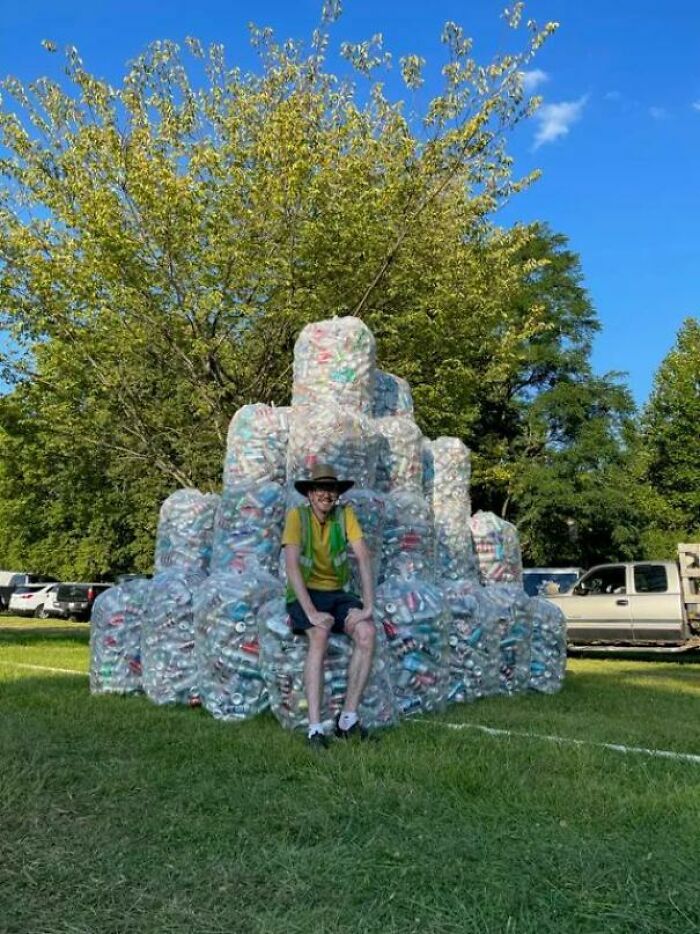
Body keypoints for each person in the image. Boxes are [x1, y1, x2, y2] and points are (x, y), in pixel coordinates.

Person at [282, 463, 376, 749]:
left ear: (337, 494)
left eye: (332, 489)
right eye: (321, 488)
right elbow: (292, 565)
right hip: (305, 593)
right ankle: (314, 729)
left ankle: (347, 719)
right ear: (310, 493)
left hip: (337, 593)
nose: (327, 494)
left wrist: (369, 606)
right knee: (319, 635)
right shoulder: (297, 517)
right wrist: (310, 611)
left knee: (367, 633)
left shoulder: (344, 515)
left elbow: (362, 556)